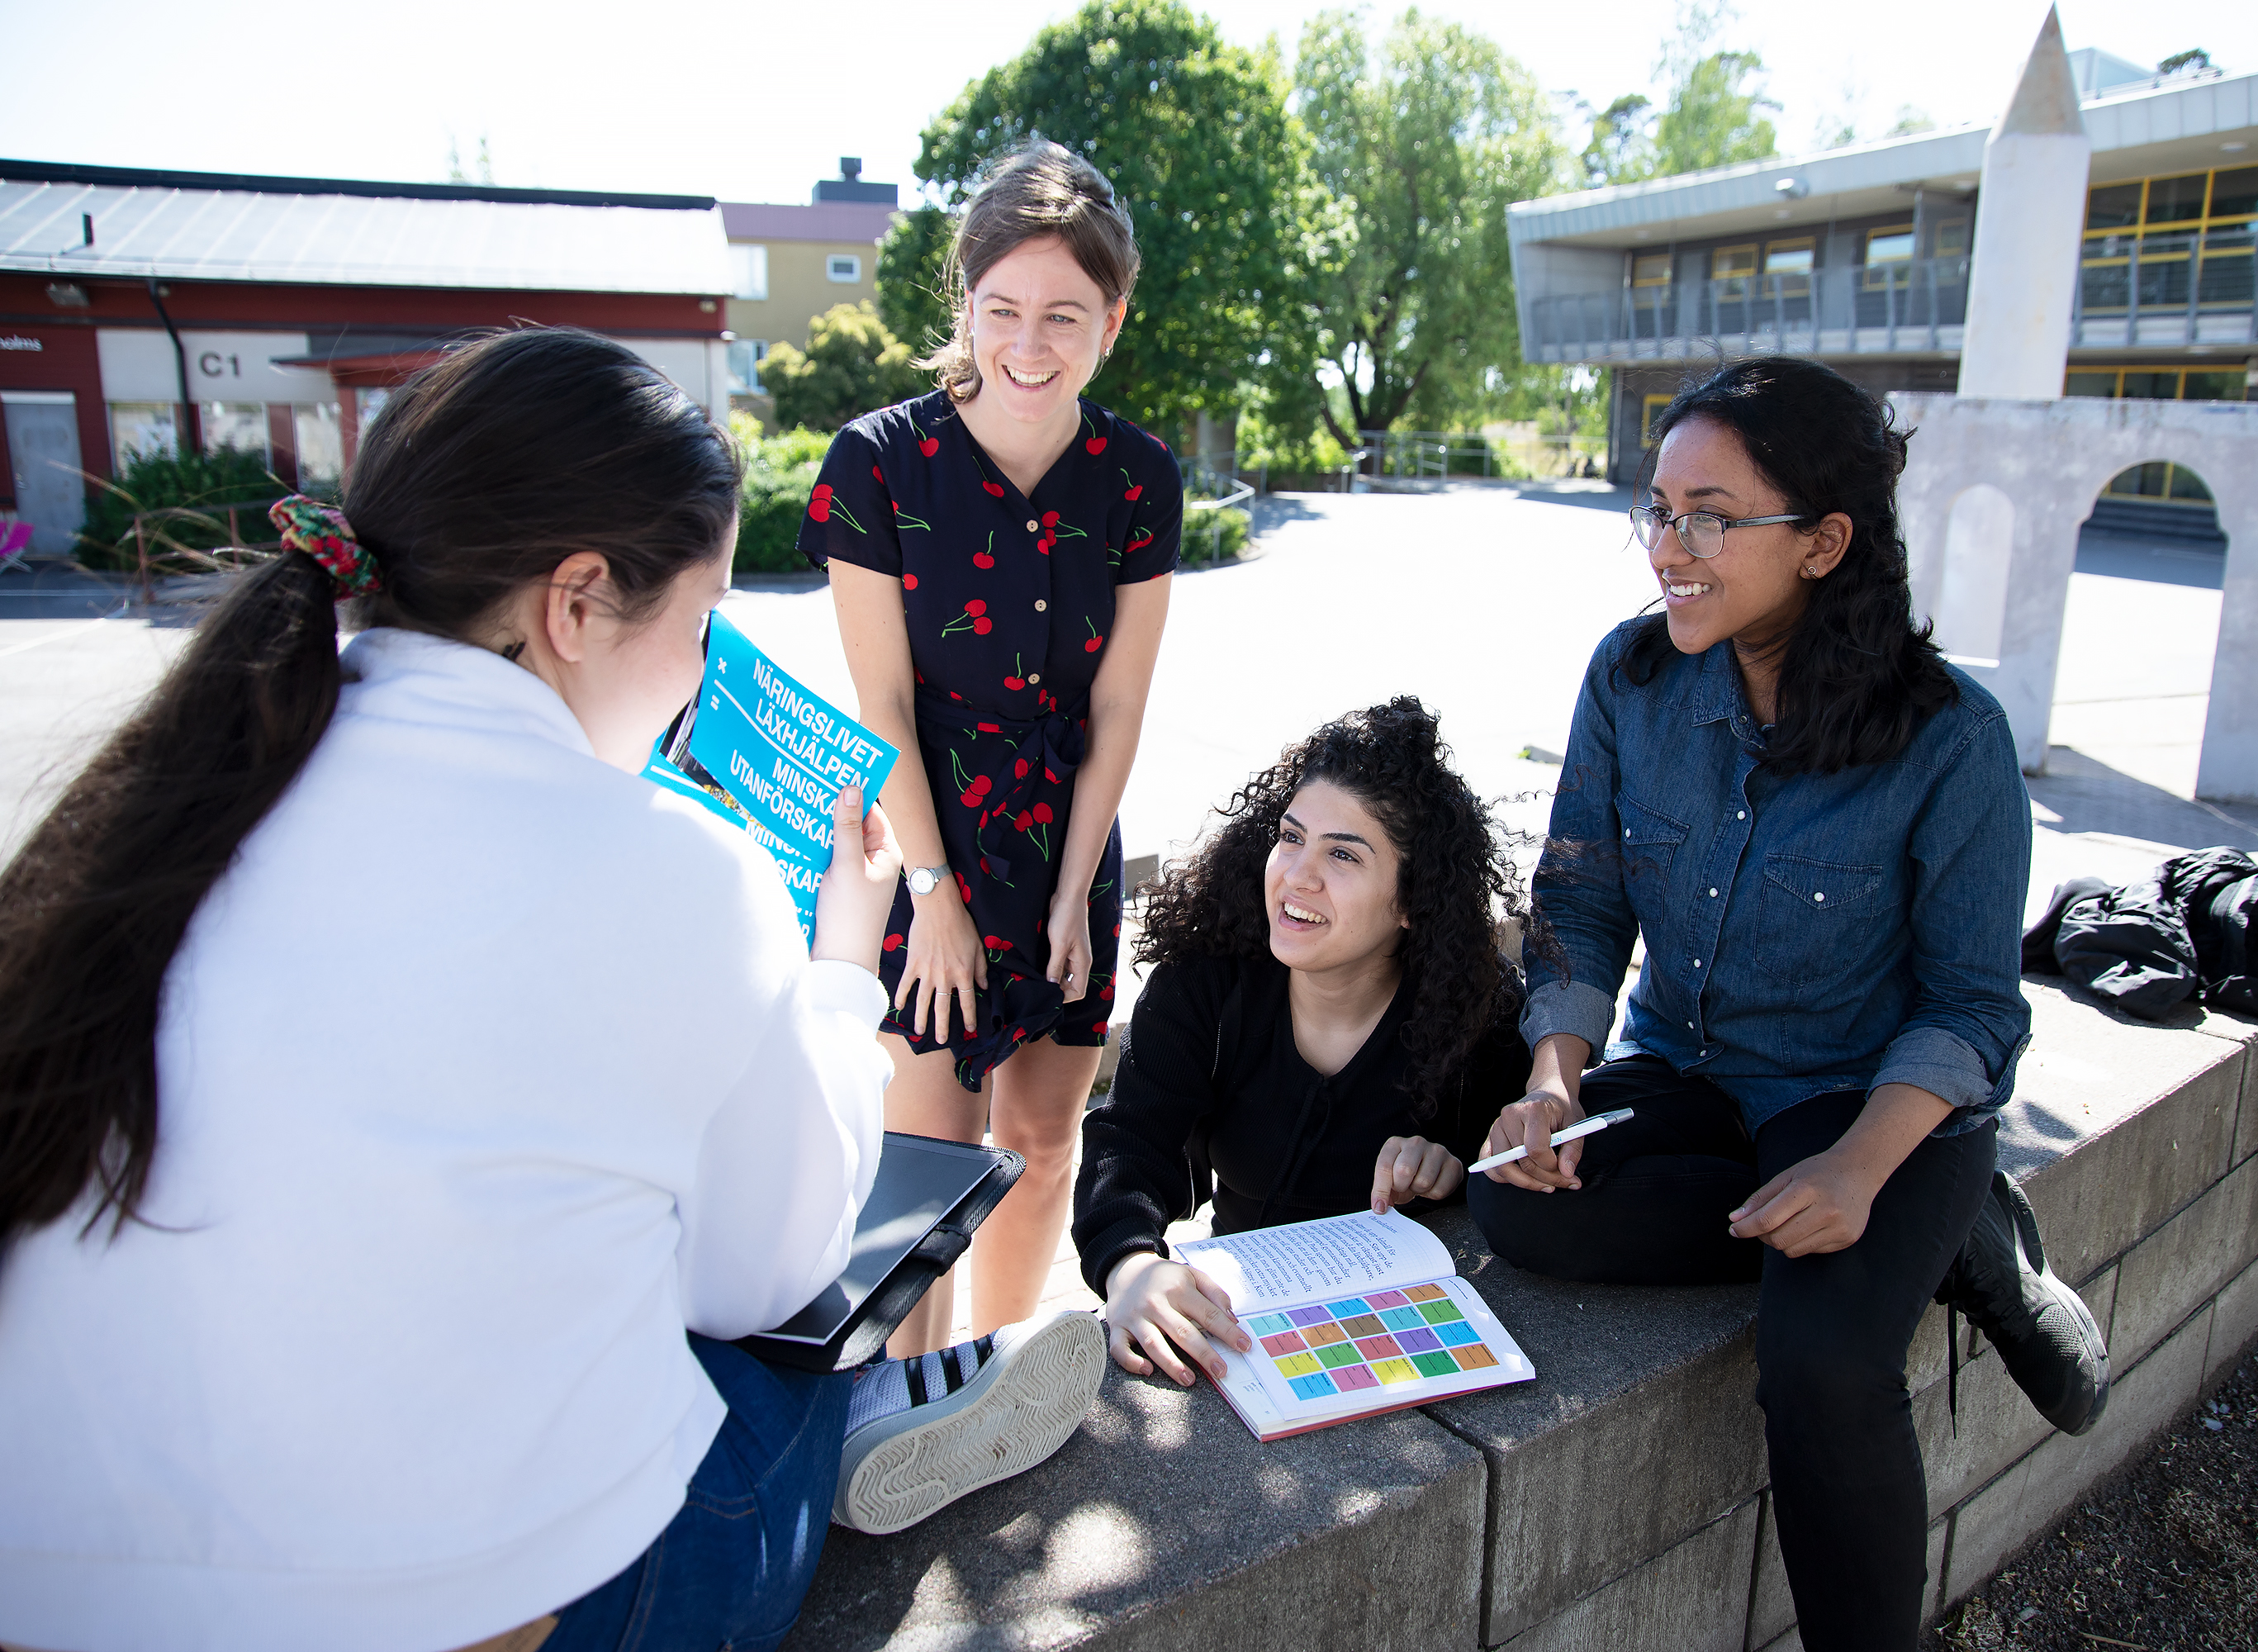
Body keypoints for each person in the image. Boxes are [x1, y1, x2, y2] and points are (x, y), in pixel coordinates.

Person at [0, 328, 1103, 1652]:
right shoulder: (676, 871)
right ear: (576, 602)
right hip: (483, 1614)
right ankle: (874, 1418)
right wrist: (835, 960)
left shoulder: (180, 804)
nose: (704, 673)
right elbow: (772, 1273)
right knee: (785, 1355)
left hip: (68, 1594)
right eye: (699, 627)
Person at [1469, 358, 2109, 1652]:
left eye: (1710, 516)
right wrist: (1554, 1078)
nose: (1668, 549)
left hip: (1863, 1097)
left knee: (1820, 1368)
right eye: (1657, 509)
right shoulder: (1633, 680)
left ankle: (1951, 1211)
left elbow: (1976, 1008)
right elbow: (1582, 901)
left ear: (1824, 541)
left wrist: (1872, 1172)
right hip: (1688, 1067)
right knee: (1509, 1200)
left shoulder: (1953, 737)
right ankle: (1935, 1234)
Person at [802, 140, 1181, 1360]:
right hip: (928, 834)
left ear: (1112, 320)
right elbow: (882, 709)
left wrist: (1075, 888)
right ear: (962, 303)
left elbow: (1119, 705)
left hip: (1071, 833)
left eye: (1065, 314)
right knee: (926, 1164)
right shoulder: (876, 462)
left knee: (1044, 1137)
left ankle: (1002, 1379)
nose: (1030, 343)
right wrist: (934, 894)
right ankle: (913, 1414)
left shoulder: (1138, 478)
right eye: (1003, 308)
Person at [1072, 699, 1535, 1386]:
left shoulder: (1475, 1008)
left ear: (1412, 901)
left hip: (1393, 1335)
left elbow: (1518, 1177)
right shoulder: (1203, 985)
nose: (1297, 875)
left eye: (1343, 854)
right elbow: (1127, 1145)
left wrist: (1453, 1169)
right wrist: (1132, 1265)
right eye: (1291, 837)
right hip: (1243, 1322)